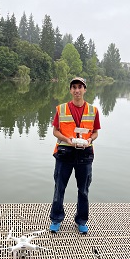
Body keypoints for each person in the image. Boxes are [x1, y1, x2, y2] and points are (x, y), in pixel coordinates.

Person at [49, 77, 101, 234]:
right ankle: (56, 219)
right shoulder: (61, 109)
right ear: (70, 90)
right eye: (74, 87)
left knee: (83, 190)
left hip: (85, 154)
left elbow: (96, 132)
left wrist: (89, 139)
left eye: (80, 87)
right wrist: (67, 139)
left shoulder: (93, 111)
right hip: (65, 152)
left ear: (85, 89)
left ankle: (81, 220)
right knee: (59, 187)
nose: (77, 90)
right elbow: (55, 131)